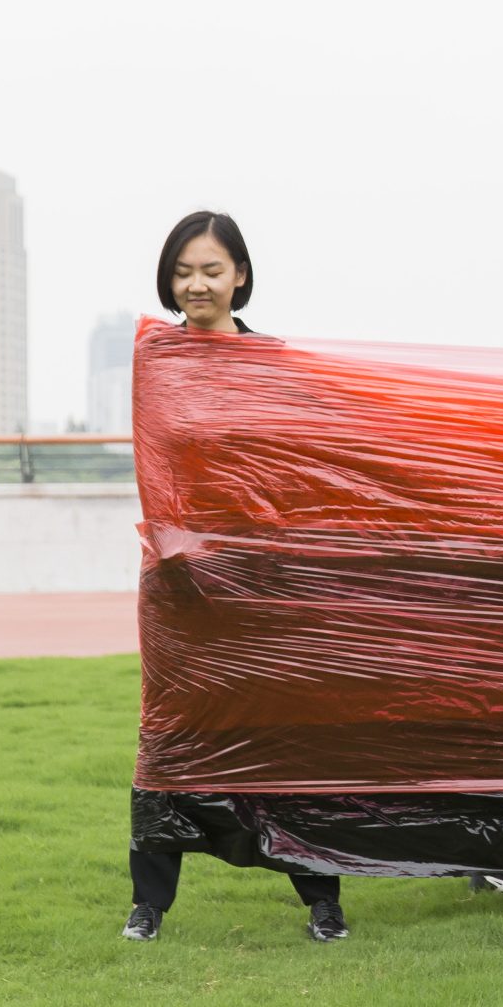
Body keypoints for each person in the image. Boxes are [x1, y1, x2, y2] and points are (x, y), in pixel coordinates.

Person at [121, 210, 351, 944]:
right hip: (181, 584)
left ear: (240, 276)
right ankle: (149, 905)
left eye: (211, 270)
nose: (196, 284)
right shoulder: (157, 358)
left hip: (265, 578)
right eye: (183, 271)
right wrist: (182, 548)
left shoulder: (273, 365)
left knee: (286, 734)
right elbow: (156, 465)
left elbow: (304, 464)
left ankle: (323, 899)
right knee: (172, 735)